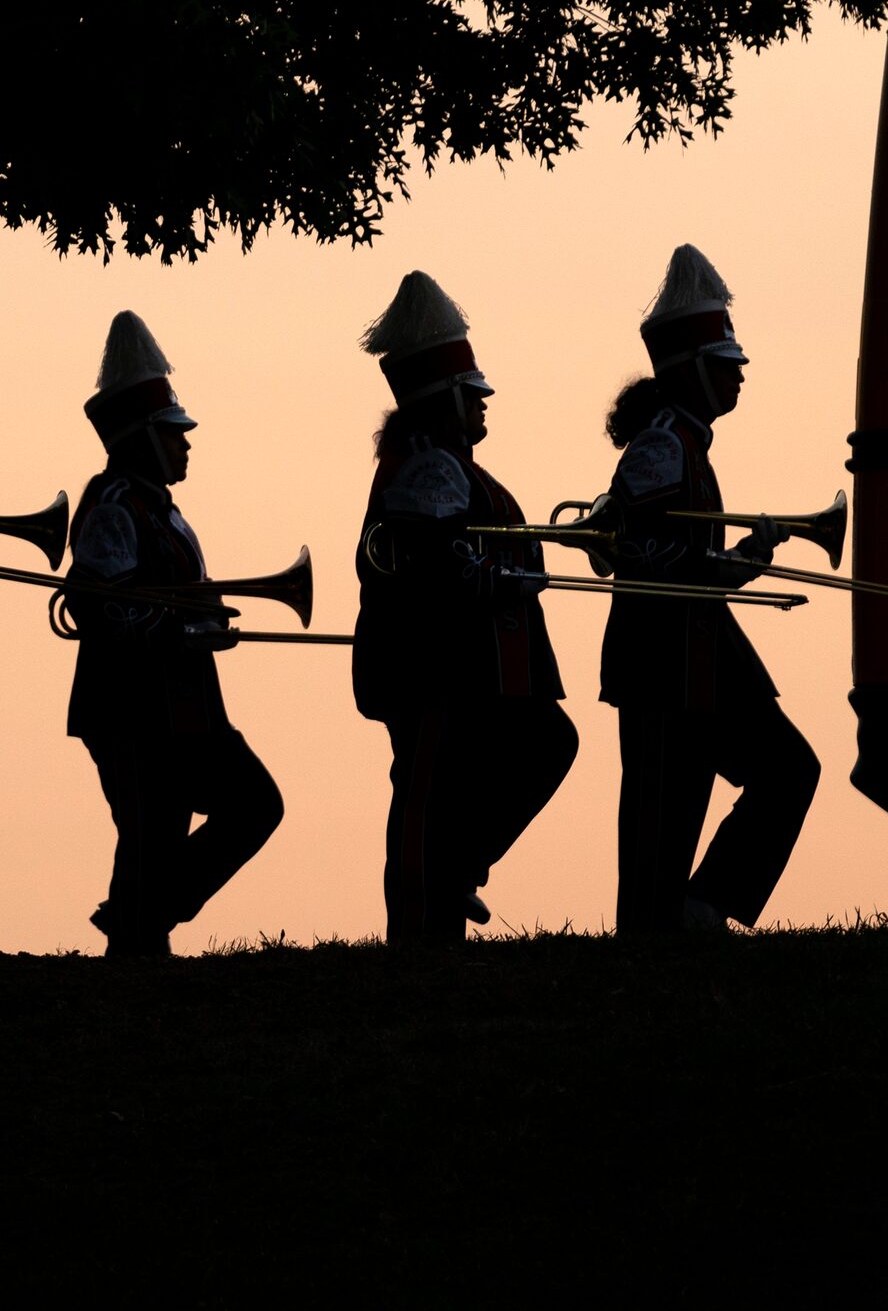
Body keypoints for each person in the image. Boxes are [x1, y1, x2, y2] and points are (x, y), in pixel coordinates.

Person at [351, 271, 577, 944]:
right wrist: (499, 578)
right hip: (433, 665)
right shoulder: (426, 462)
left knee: (544, 743)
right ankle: (421, 930)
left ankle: (454, 877)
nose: (482, 406)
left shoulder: (449, 462)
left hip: (473, 668)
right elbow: (437, 556)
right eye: (470, 396)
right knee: (426, 800)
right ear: (444, 397)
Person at [601, 244, 819, 936]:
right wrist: (735, 562)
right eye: (725, 366)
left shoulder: (682, 442)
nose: (738, 377)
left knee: (786, 770)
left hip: (700, 652)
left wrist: (743, 558)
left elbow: (674, 558)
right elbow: (627, 553)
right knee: (659, 830)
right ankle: (667, 928)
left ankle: (700, 908)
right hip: (663, 659)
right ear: (690, 371)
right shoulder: (664, 444)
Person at [66, 310, 282, 957]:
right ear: (140, 439)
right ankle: (138, 936)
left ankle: (140, 917)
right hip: (129, 709)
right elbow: (105, 614)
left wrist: (204, 621)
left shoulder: (164, 513)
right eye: (172, 433)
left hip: (184, 707)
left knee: (251, 806)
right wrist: (186, 626)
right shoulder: (112, 510)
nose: (185, 443)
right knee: (149, 832)